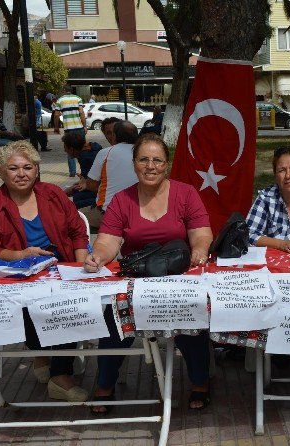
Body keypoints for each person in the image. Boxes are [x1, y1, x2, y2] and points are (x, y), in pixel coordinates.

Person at [83, 133, 213, 413]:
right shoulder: (121, 200)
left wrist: (199, 251)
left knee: (192, 316)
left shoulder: (186, 193)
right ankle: (105, 383)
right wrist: (98, 256)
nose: (150, 166)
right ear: (134, 164)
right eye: (144, 159)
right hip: (137, 278)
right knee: (114, 320)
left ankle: (200, 382)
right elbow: (107, 241)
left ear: (166, 165)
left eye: (157, 160)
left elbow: (201, 234)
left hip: (178, 276)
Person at [0, 141, 89, 402]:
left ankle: (60, 376)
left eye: (28, 167)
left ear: (37, 170)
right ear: (1, 172)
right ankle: (43, 351)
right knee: (30, 313)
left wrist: (81, 268)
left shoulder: (53, 194)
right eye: (13, 168)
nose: (21, 173)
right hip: (16, 277)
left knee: (69, 305)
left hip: (62, 270)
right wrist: (21, 255)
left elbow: (77, 231)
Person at [79, 120, 139, 231]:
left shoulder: (106, 153)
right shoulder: (144, 153)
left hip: (108, 214)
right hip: (140, 213)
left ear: (115, 136)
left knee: (72, 218)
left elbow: (91, 185)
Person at [62, 131, 103, 209]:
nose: (65, 151)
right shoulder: (92, 147)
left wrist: (63, 192)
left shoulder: (85, 157)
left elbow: (90, 183)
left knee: (77, 197)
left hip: (102, 190)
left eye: (65, 148)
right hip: (100, 185)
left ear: (71, 149)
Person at [53, 85, 87, 177]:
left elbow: (56, 115)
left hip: (68, 129)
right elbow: (81, 112)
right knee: (83, 149)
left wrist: (56, 127)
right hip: (79, 128)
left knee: (70, 150)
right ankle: (85, 170)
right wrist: (85, 126)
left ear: (64, 91)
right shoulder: (78, 98)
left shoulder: (60, 100)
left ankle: (72, 172)